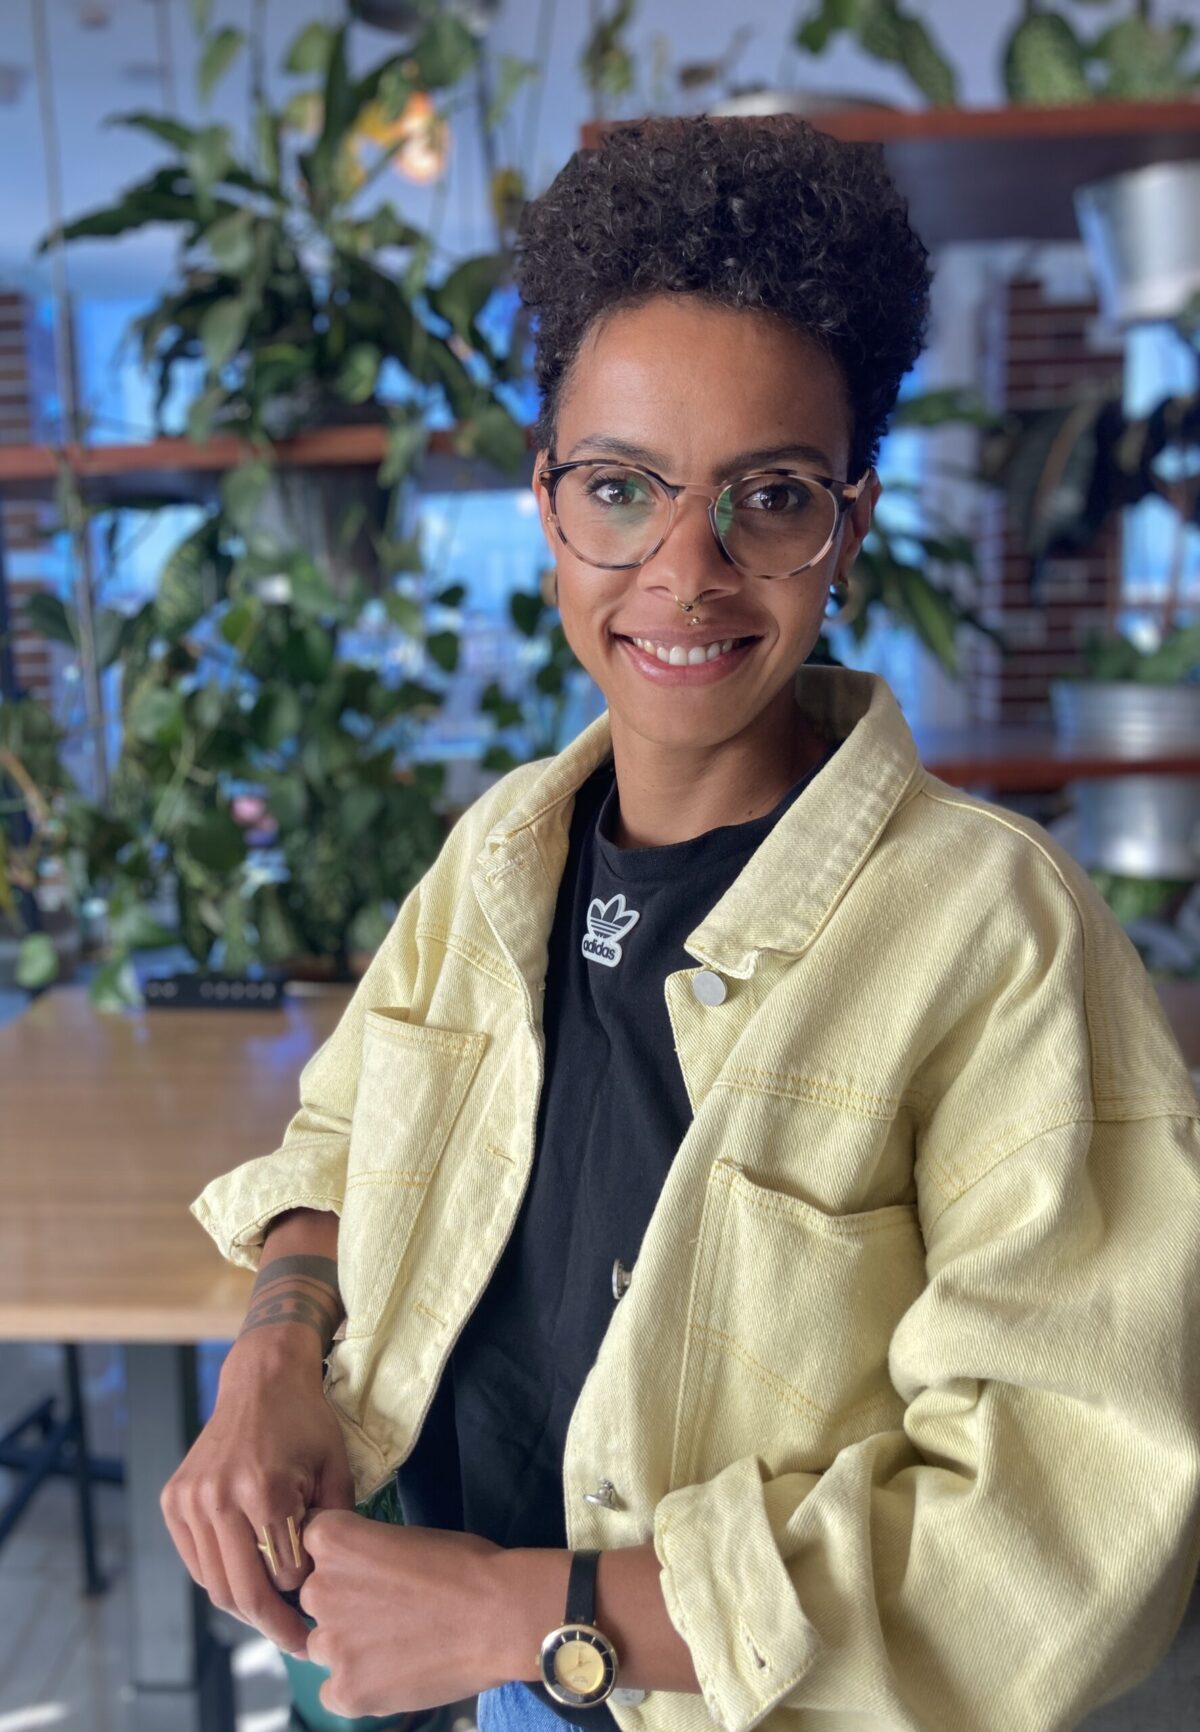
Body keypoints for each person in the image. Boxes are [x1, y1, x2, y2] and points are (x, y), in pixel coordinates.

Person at [166, 113, 1200, 1732]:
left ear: (849, 527)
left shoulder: (999, 940)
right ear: (548, 507)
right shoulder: (500, 851)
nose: (687, 569)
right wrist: (275, 1352)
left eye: (769, 497)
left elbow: (1066, 1529)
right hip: (401, 1649)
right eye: (620, 487)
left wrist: (526, 1615)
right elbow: (341, 1133)